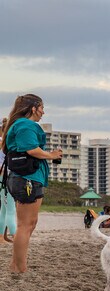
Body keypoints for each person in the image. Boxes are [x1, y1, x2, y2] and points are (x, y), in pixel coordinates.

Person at [2, 94, 62, 273]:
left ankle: (16, 264)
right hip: (27, 178)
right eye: (42, 107)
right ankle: (19, 267)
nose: (43, 111)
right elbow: (31, 149)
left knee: (29, 223)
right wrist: (51, 155)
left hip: (26, 178)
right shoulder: (26, 124)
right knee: (25, 225)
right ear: (33, 108)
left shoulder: (20, 124)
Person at [0, 117, 17, 243]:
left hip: (2, 179)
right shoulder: (6, 144)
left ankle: (1, 237)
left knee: (4, 210)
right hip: (6, 178)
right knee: (11, 210)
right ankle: (17, 237)